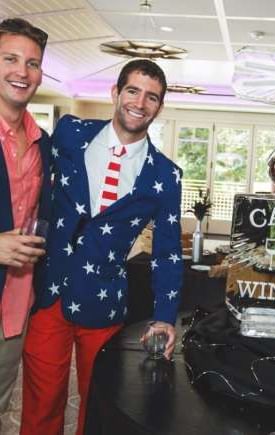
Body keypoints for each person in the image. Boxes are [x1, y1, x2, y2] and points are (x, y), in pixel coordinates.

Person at [20, 59, 183, 435]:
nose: (140, 103)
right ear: (116, 93)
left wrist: (165, 315)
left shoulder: (166, 175)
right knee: (40, 406)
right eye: (133, 90)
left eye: (152, 97)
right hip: (50, 294)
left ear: (159, 106)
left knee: (99, 409)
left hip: (105, 302)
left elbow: (167, 251)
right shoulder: (70, 132)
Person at [0, 17, 50, 430]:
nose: (22, 71)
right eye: (10, 58)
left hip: (16, 309)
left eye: (32, 63)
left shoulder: (42, 144)